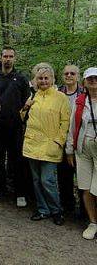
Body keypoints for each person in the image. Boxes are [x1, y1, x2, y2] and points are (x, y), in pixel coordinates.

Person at [22, 63, 70, 225]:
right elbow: (22, 117)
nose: (43, 81)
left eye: (46, 78)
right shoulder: (33, 96)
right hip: (32, 143)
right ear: (35, 81)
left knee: (47, 180)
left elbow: (65, 122)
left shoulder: (60, 97)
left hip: (50, 144)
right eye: (40, 78)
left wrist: (59, 141)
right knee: (36, 180)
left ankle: (56, 210)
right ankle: (43, 209)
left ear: (52, 79)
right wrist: (25, 107)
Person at [0, 47, 31, 208]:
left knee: (17, 160)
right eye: (5, 56)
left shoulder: (21, 79)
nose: (8, 59)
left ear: (15, 58)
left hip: (16, 127)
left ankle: (20, 192)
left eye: (11, 56)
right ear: (0, 58)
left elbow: (28, 103)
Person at [66, 67, 97, 239]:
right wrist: (69, 150)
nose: (93, 81)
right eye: (89, 79)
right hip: (82, 148)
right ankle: (92, 222)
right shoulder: (80, 101)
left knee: (96, 188)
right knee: (84, 186)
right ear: (84, 82)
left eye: (95, 78)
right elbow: (73, 127)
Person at [57, 65, 84, 214]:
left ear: (77, 76)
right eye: (66, 73)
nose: (69, 76)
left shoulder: (84, 93)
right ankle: (67, 206)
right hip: (61, 139)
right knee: (63, 175)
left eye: (72, 73)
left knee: (81, 176)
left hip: (79, 139)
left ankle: (84, 210)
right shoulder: (57, 92)